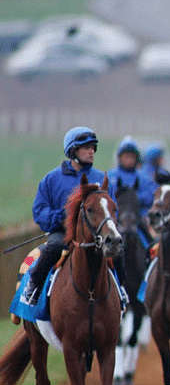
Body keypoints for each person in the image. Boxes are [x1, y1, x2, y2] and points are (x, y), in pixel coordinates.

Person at [21, 127, 107, 306]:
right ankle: (33, 288)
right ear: (72, 150)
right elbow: (40, 211)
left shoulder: (101, 178)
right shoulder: (51, 179)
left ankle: (120, 292)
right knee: (53, 246)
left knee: (119, 251)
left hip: (94, 234)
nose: (91, 151)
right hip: (63, 233)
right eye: (86, 147)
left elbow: (111, 207)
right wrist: (61, 217)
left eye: (93, 147)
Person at [108, 136, 157, 216]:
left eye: (132, 157)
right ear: (119, 158)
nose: (129, 160)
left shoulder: (144, 178)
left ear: (136, 158)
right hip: (115, 217)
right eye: (126, 156)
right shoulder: (110, 177)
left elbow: (152, 197)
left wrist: (134, 198)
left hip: (139, 219)